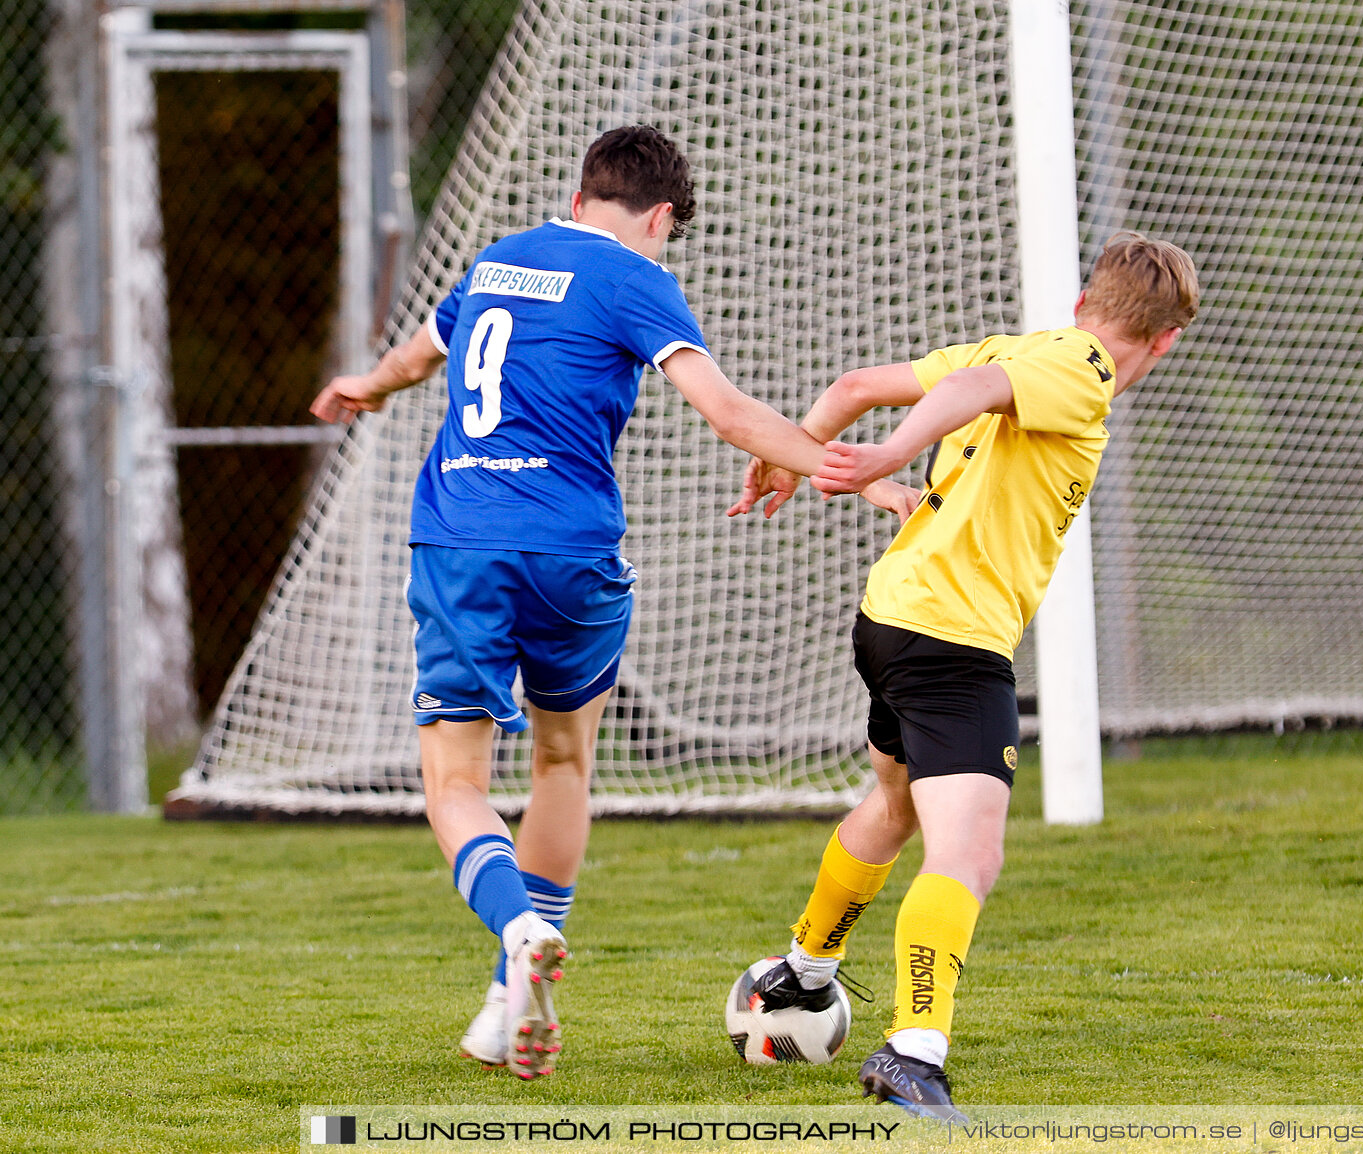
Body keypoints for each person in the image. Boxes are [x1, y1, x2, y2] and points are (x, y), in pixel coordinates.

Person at [310, 125, 908, 1079]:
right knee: (563, 761)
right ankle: (515, 989)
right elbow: (729, 413)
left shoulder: (496, 263)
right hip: (575, 552)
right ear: (660, 216)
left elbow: (412, 362)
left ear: (583, 193)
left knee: (456, 784)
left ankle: (515, 937)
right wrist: (860, 473)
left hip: (461, 542)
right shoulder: (636, 279)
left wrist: (360, 389)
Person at [727, 231, 1198, 1119]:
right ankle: (913, 1053)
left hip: (893, 620)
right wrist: (888, 458)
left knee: (897, 806)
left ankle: (803, 969)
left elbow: (856, 387)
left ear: (1081, 300)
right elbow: (969, 393)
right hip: (952, 642)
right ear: (1165, 341)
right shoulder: (1085, 369)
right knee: (970, 853)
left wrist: (797, 455)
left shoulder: (1019, 346)